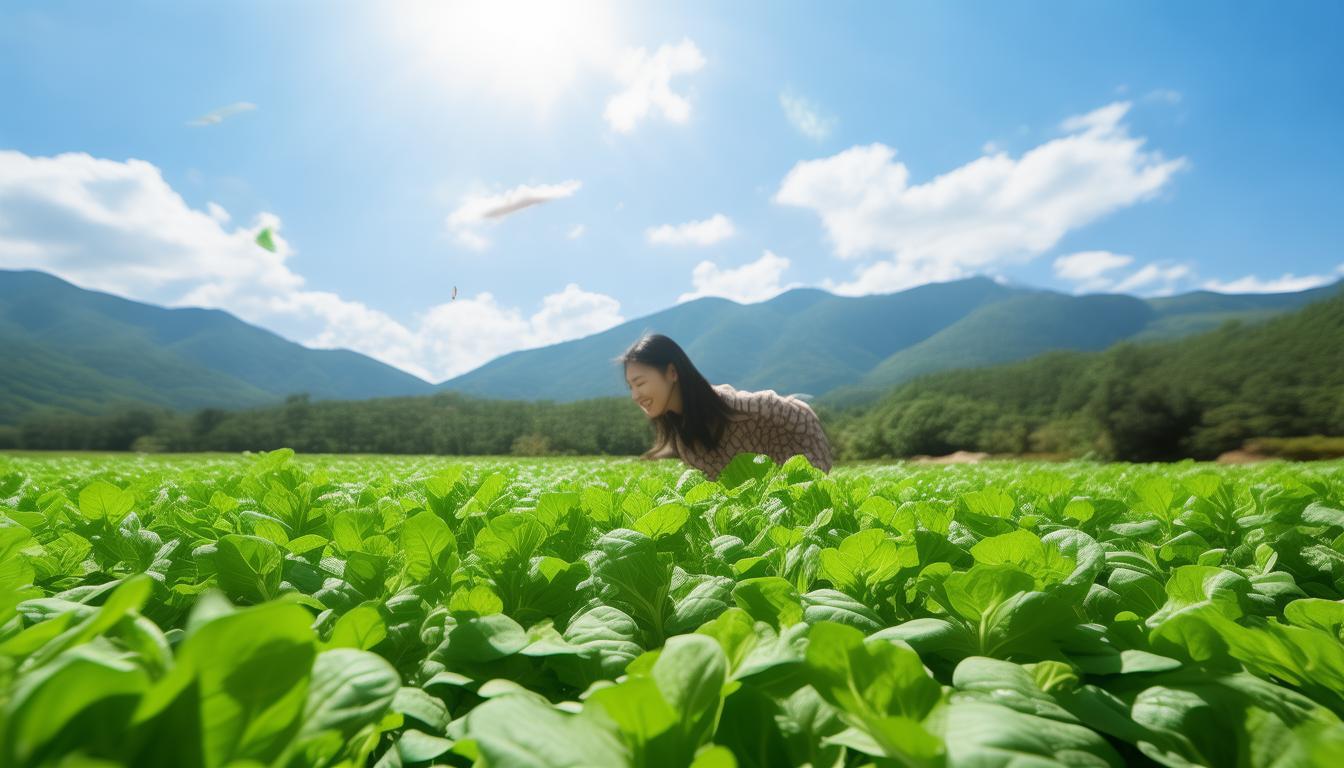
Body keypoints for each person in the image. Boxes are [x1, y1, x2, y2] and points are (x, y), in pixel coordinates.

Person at [616, 332, 833, 481]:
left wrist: (812, 469)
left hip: (797, 478)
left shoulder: (737, 407)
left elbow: (797, 410)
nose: (635, 395)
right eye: (630, 387)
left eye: (640, 383)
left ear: (672, 372)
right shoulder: (683, 439)